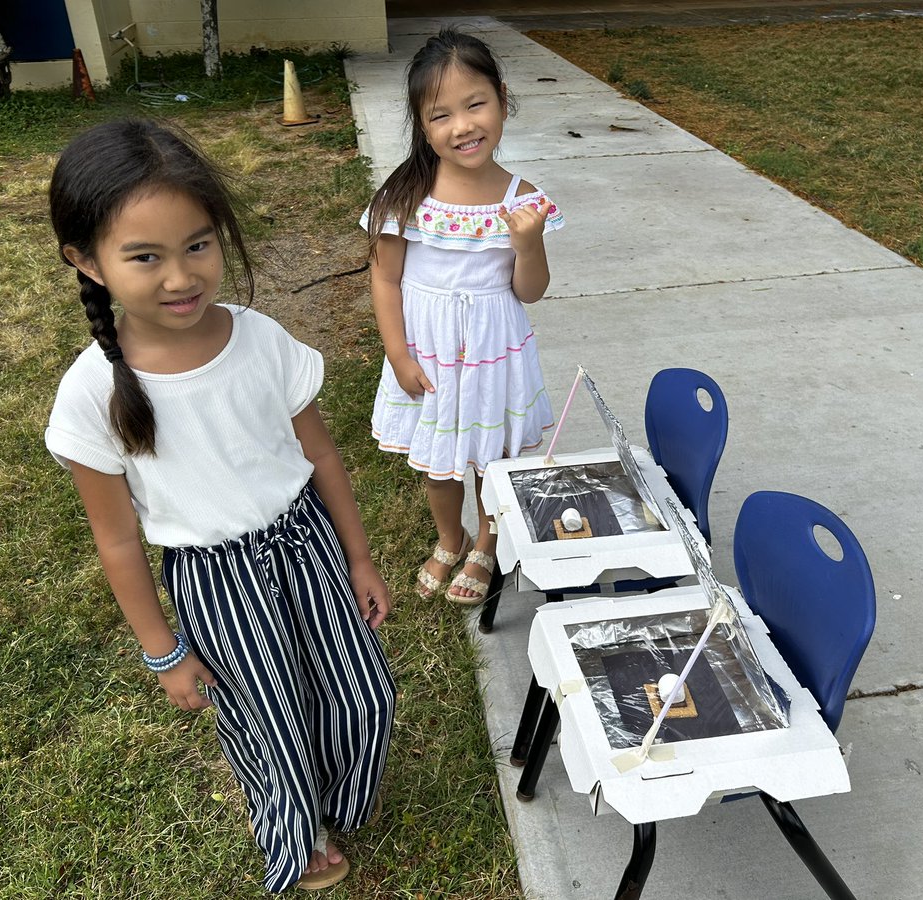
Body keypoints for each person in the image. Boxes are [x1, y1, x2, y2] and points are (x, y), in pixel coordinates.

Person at [44, 119, 394, 893]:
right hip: (215, 578)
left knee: (362, 690)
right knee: (270, 720)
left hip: (308, 547)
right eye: (144, 257)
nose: (180, 277)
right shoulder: (91, 396)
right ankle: (297, 834)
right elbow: (119, 542)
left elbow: (322, 454)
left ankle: (337, 793)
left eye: (197, 245)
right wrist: (164, 652)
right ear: (85, 260)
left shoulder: (260, 339)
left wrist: (359, 557)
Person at [363, 28, 565, 606]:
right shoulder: (406, 196)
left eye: (475, 104)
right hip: (428, 353)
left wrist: (528, 245)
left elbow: (531, 291)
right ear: (423, 126)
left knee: (491, 458)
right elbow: (386, 276)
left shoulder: (523, 199)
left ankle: (485, 541)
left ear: (502, 98)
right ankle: (448, 537)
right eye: (441, 114)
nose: (462, 126)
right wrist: (399, 354)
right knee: (441, 461)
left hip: (493, 351)